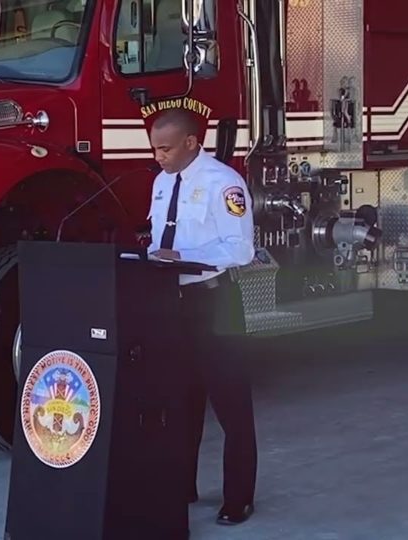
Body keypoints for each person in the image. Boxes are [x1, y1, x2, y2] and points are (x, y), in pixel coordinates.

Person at [145, 107, 258, 526]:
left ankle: (238, 497)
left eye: (166, 148)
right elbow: (159, 239)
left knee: (230, 403)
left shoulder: (224, 184)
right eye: (155, 148)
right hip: (174, 306)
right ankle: (182, 485)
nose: (158, 156)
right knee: (180, 402)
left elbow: (239, 250)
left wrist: (182, 259)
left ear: (192, 143)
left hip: (214, 302)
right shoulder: (161, 183)